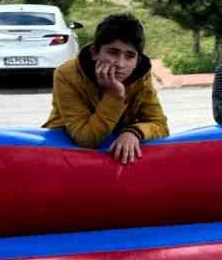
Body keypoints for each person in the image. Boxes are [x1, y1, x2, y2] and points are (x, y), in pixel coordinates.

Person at [45, 12, 169, 164]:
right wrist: (114, 96)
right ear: (94, 53)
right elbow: (87, 139)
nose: (120, 64)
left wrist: (134, 133)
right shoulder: (67, 74)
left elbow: (160, 125)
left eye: (130, 56)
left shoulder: (141, 76)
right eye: (113, 52)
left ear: (137, 61)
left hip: (116, 153)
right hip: (65, 153)